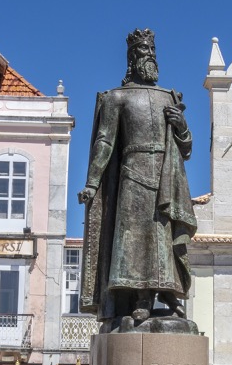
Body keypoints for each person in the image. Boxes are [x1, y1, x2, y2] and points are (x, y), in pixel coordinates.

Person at [78, 29, 198, 329]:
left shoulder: (168, 97)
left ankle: (163, 297)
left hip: (166, 177)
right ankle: (138, 301)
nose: (151, 60)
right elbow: (105, 142)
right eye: (145, 54)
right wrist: (93, 182)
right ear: (132, 58)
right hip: (132, 175)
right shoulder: (117, 98)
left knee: (162, 239)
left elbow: (186, 148)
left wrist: (182, 126)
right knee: (135, 244)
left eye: (153, 54)